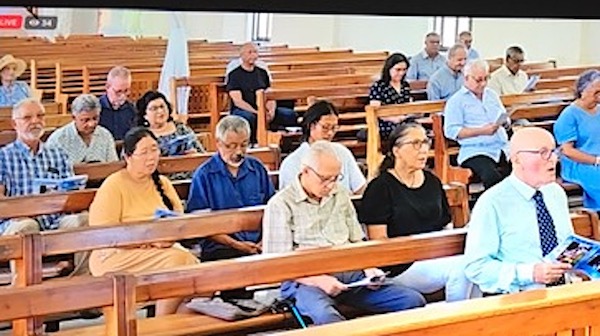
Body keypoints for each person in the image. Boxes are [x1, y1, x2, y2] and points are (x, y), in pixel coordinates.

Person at [262, 140, 426, 326]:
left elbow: (357, 241)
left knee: (412, 301)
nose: (331, 185)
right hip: (304, 281)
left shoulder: (340, 194)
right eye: (325, 179)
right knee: (328, 318)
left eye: (335, 178)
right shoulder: (280, 204)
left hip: (350, 275)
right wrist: (319, 280)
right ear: (305, 171)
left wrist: (369, 268)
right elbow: (276, 266)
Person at [359, 119, 475, 302]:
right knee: (461, 267)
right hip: (401, 266)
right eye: (415, 144)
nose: (423, 149)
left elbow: (445, 225)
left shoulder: (432, 181)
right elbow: (379, 243)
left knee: (475, 264)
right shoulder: (380, 187)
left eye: (425, 142)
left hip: (437, 256)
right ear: (396, 151)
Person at [88, 126, 199, 315]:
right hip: (117, 253)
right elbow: (103, 233)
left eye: (155, 150)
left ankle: (170, 323)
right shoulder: (114, 184)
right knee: (179, 261)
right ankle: (162, 322)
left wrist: (166, 238)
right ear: (128, 157)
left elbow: (178, 222)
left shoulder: (163, 183)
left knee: (197, 271)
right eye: (144, 152)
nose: (151, 157)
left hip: (161, 249)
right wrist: (149, 241)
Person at [464, 127, 574, 295]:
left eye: (554, 151)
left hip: (565, 291)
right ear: (517, 159)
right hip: (518, 296)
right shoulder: (492, 202)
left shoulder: (555, 193)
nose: (553, 159)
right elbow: (476, 267)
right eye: (543, 152)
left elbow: (567, 246)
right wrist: (530, 273)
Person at [0, 98, 89, 283]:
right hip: (16, 221)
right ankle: (25, 289)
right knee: (27, 227)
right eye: (27, 117)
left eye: (40, 116)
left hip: (54, 219)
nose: (35, 121)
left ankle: (80, 286)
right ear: (14, 124)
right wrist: (18, 214)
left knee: (85, 221)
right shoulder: (3, 156)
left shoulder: (57, 153)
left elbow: (71, 193)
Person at [186, 115, 275, 299]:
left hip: (259, 241)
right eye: (231, 146)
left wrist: (264, 240)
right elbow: (201, 224)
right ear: (218, 143)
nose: (238, 151)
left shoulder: (256, 168)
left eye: (244, 145)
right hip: (222, 244)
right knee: (233, 268)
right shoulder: (205, 175)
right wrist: (238, 245)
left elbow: (273, 209)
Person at [443, 58, 512, 190]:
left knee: (521, 169)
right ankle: (491, 208)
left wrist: (505, 122)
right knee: (492, 176)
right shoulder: (456, 101)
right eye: (478, 80)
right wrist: (481, 131)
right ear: (466, 78)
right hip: (475, 150)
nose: (483, 84)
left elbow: (502, 115)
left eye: (486, 78)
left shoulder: (491, 95)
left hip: (500, 146)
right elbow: (451, 131)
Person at [279, 100, 366, 194]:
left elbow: (360, 189)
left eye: (334, 128)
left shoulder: (343, 152)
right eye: (325, 127)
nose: (330, 133)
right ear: (311, 126)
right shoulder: (292, 162)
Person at [226, 42, 298, 144]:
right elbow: (238, 101)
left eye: (255, 52)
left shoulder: (262, 72)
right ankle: (252, 144)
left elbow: (269, 94)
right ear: (242, 55)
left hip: (263, 108)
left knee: (288, 114)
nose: (253, 55)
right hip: (244, 109)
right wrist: (258, 112)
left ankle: (285, 143)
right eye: (250, 52)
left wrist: (271, 111)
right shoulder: (234, 75)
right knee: (250, 118)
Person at [553, 69, 600, 212]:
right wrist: (596, 160)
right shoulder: (569, 115)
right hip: (579, 163)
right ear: (583, 91)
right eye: (596, 92)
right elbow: (568, 151)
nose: (599, 96)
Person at [135, 90, 205, 179]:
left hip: (190, 177)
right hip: (160, 180)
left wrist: (194, 155)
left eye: (162, 107)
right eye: (154, 108)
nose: (160, 111)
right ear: (145, 115)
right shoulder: (141, 135)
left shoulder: (181, 128)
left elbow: (202, 155)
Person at [46, 93, 119, 165]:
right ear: (74, 118)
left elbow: (113, 166)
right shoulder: (58, 139)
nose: (91, 124)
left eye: (95, 118)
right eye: (85, 120)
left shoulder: (105, 135)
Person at [365, 52, 412, 141]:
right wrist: (394, 119)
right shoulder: (379, 86)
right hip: (386, 122)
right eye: (398, 70)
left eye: (404, 70)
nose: (401, 73)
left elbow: (408, 105)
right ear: (389, 69)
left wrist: (405, 116)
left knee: (415, 129)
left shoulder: (405, 85)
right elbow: (375, 110)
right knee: (400, 132)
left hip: (404, 119)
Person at [98, 65, 136, 141]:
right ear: (107, 87)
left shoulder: (132, 110)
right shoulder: (97, 109)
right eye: (118, 92)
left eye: (126, 91)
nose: (123, 96)